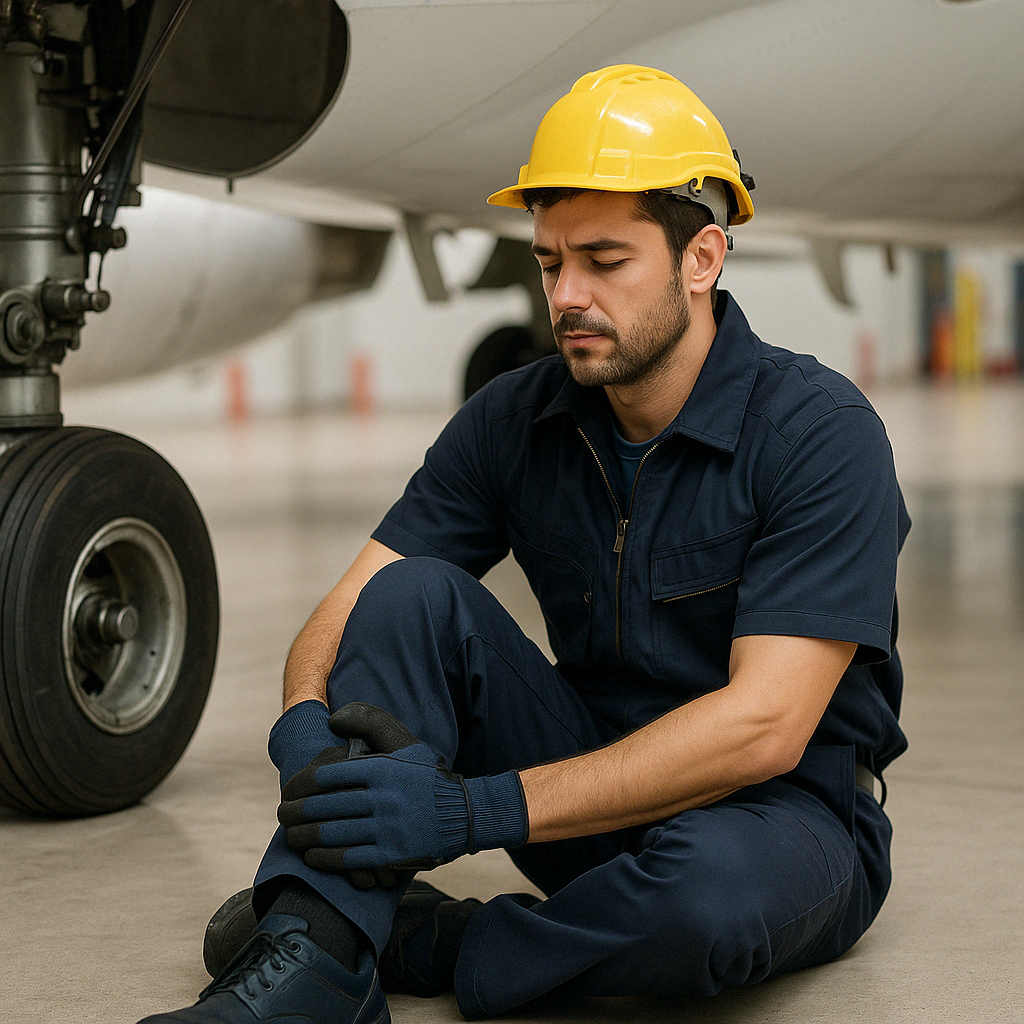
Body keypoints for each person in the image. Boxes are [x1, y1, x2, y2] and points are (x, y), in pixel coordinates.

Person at [138, 65, 909, 1024]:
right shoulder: (518, 419)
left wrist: (471, 812)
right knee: (415, 595)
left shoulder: (817, 431)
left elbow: (766, 725)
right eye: (550, 263)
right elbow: (354, 606)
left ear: (703, 259)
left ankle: (430, 938)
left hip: (783, 819)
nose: (568, 295)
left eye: (605, 260)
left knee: (703, 908)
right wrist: (302, 724)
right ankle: (317, 953)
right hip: (586, 788)